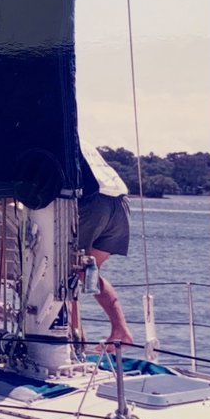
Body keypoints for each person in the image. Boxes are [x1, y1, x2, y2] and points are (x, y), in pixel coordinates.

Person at [78, 145, 134, 346]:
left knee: (66, 271)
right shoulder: (80, 139)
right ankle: (120, 329)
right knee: (87, 272)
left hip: (95, 202)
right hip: (119, 201)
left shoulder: (54, 133)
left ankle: (74, 340)